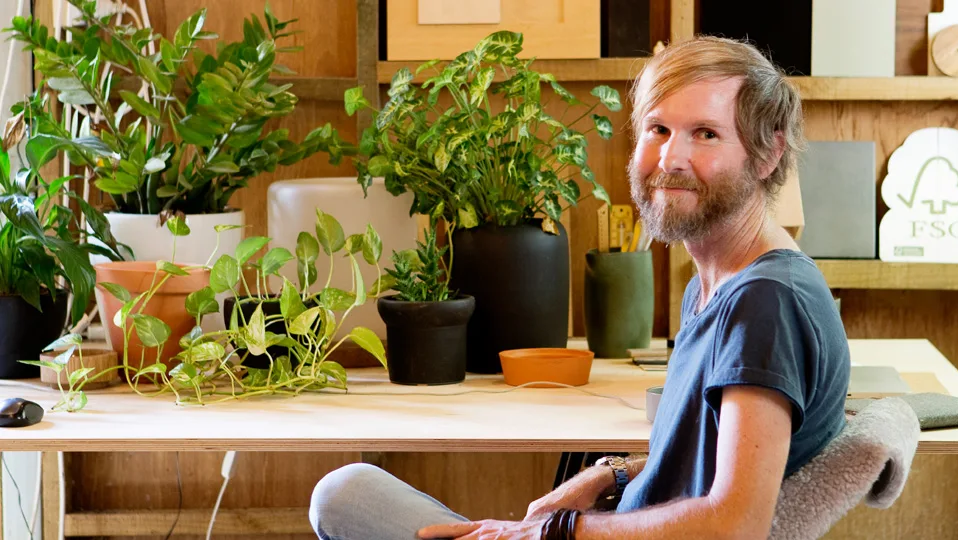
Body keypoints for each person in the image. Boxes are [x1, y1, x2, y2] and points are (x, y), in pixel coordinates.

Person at [308, 35, 850, 540]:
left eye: (705, 134)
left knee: (344, 496)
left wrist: (553, 532)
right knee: (347, 493)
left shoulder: (766, 300)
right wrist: (611, 475)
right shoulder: (716, 286)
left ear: (768, 154)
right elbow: (709, 461)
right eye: (658, 129)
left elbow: (735, 521)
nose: (670, 159)